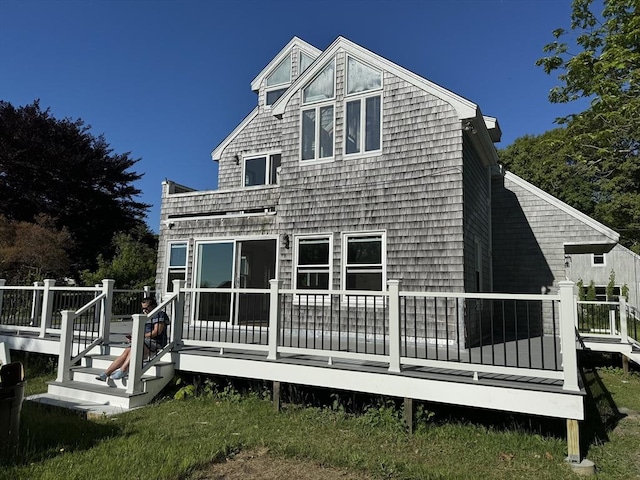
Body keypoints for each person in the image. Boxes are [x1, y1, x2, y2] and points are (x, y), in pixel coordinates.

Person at [96, 297, 170, 381]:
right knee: (126, 351)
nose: (144, 310)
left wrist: (140, 336)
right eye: (142, 308)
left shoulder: (160, 314)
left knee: (134, 348)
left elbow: (157, 331)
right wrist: (133, 337)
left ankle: (123, 369)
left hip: (155, 342)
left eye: (146, 308)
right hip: (143, 341)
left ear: (153, 306)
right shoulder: (143, 316)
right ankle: (106, 373)